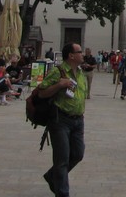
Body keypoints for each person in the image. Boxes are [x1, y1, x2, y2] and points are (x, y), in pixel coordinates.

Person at [38, 42, 88, 197]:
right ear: (71, 56)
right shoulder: (57, 71)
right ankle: (62, 193)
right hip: (61, 120)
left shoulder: (80, 72)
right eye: (80, 52)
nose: (82, 54)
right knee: (62, 158)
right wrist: (59, 85)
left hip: (78, 120)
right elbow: (41, 92)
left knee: (78, 154)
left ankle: (52, 176)